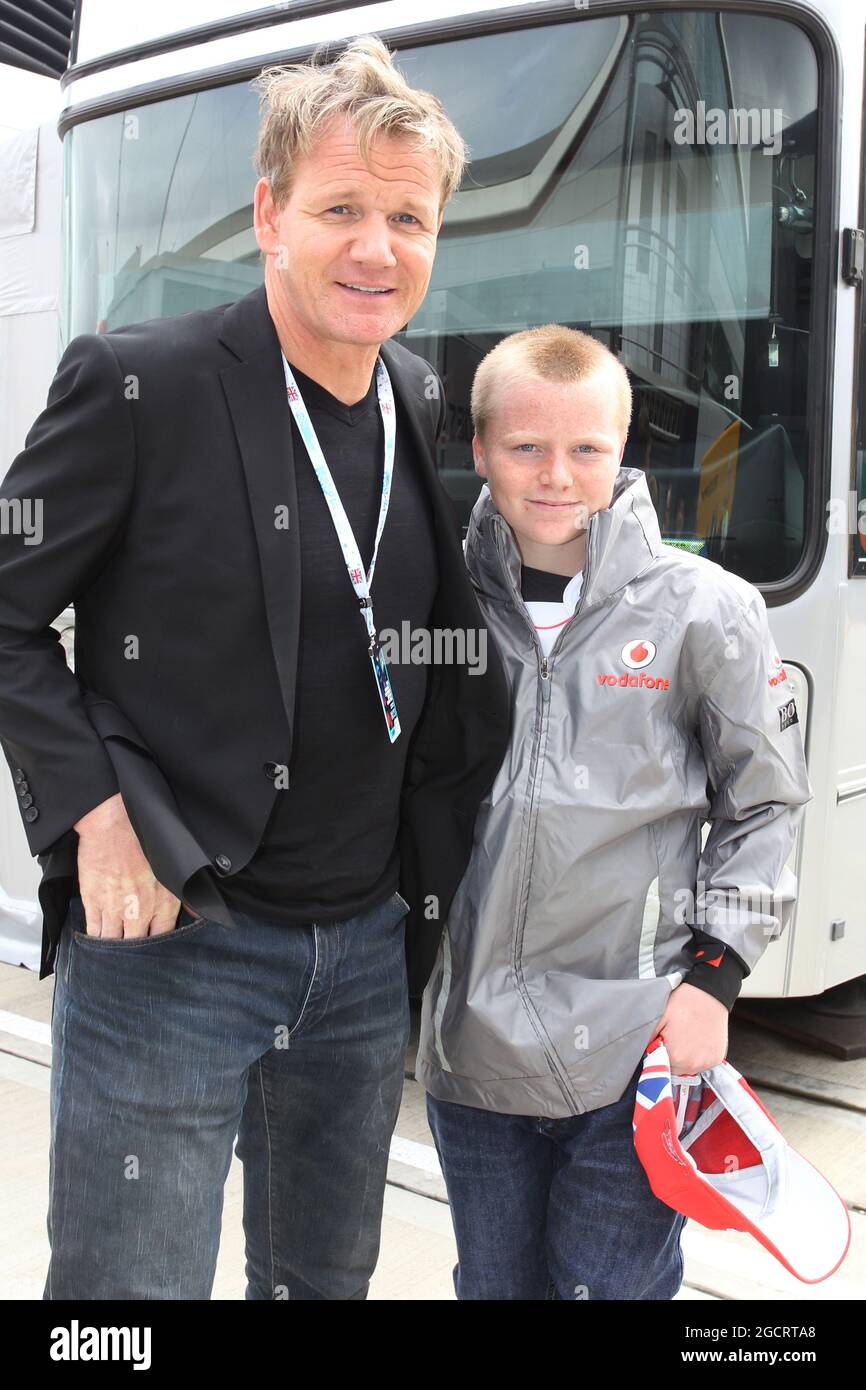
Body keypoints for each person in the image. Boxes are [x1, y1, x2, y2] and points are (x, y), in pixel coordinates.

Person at [0, 35, 510, 1300]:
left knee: (320, 1282)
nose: (375, 247)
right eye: (341, 208)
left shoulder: (415, 393)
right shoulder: (138, 382)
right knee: (126, 1302)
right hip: (177, 939)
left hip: (361, 945)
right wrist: (92, 815)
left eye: (408, 216)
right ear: (269, 211)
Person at [415, 324, 813, 1300]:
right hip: (470, 1056)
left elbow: (763, 804)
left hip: (634, 1051)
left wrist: (709, 981)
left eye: (585, 449)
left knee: (610, 1288)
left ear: (622, 450)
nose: (556, 475)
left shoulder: (702, 608)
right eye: (524, 448)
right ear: (478, 452)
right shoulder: (436, 604)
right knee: (494, 1287)